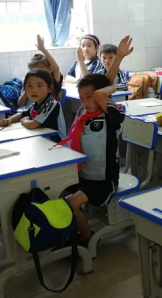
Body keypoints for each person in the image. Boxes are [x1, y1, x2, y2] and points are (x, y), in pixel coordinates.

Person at [63, 73, 126, 242]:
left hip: (103, 181)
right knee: (56, 194)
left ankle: (86, 240)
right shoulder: (83, 113)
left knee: (71, 204)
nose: (85, 103)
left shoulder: (112, 115)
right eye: (82, 98)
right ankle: (71, 232)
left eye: (89, 97)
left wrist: (110, 88)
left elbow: (101, 92)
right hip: (83, 175)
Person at [0, 69, 66, 142]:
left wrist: (24, 120)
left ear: (50, 88)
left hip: (57, 144)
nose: (34, 90)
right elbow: (22, 114)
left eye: (39, 85)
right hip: (41, 141)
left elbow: (33, 124)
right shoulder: (35, 104)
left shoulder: (52, 104)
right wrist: (8, 120)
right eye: (29, 86)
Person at [18, 35, 63, 109]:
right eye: (34, 70)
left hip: (44, 112)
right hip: (26, 111)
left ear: (50, 69)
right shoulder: (29, 83)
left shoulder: (52, 81)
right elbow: (20, 104)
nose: (37, 73)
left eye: (41, 69)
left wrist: (43, 49)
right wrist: (27, 93)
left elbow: (56, 69)